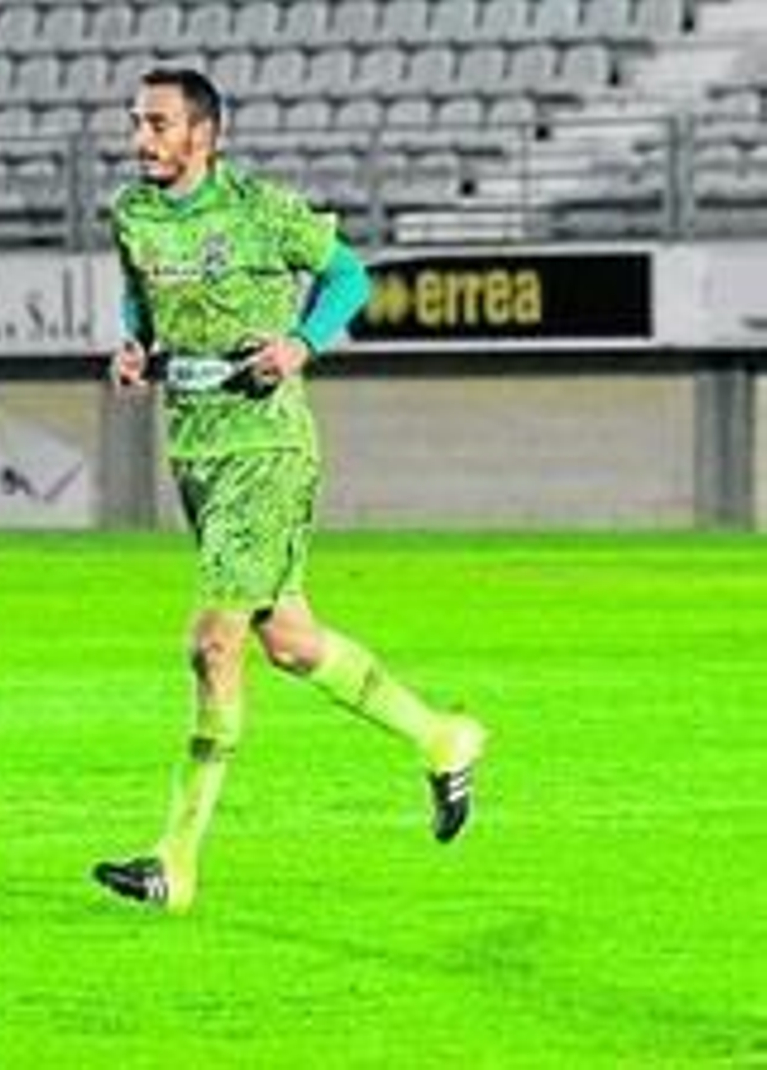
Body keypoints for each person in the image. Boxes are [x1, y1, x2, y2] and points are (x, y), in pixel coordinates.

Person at [92, 69, 487, 913]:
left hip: (266, 445)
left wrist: (302, 343)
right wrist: (133, 347)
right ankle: (442, 739)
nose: (142, 139)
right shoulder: (132, 214)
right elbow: (139, 299)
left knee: (212, 644)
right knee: (292, 642)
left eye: (158, 124)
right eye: (138, 123)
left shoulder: (264, 210)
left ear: (204, 134)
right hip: (194, 445)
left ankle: (177, 861)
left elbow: (350, 277)